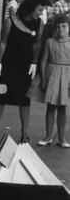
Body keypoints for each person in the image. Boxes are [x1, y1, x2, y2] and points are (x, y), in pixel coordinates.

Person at [0, 0, 46, 143]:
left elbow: (37, 44)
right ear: (31, 7)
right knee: (1, 95)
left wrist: (34, 62)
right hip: (8, 63)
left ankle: (24, 131)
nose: (41, 13)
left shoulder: (39, 23)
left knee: (24, 98)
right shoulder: (10, 21)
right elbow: (3, 43)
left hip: (25, 64)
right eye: (39, 10)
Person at [31, 13, 70, 148]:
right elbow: (44, 60)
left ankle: (61, 137)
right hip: (52, 75)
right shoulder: (50, 42)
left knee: (63, 107)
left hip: (66, 77)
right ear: (54, 29)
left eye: (64, 27)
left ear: (69, 28)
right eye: (58, 27)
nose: (61, 30)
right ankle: (48, 135)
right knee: (51, 106)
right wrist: (43, 77)